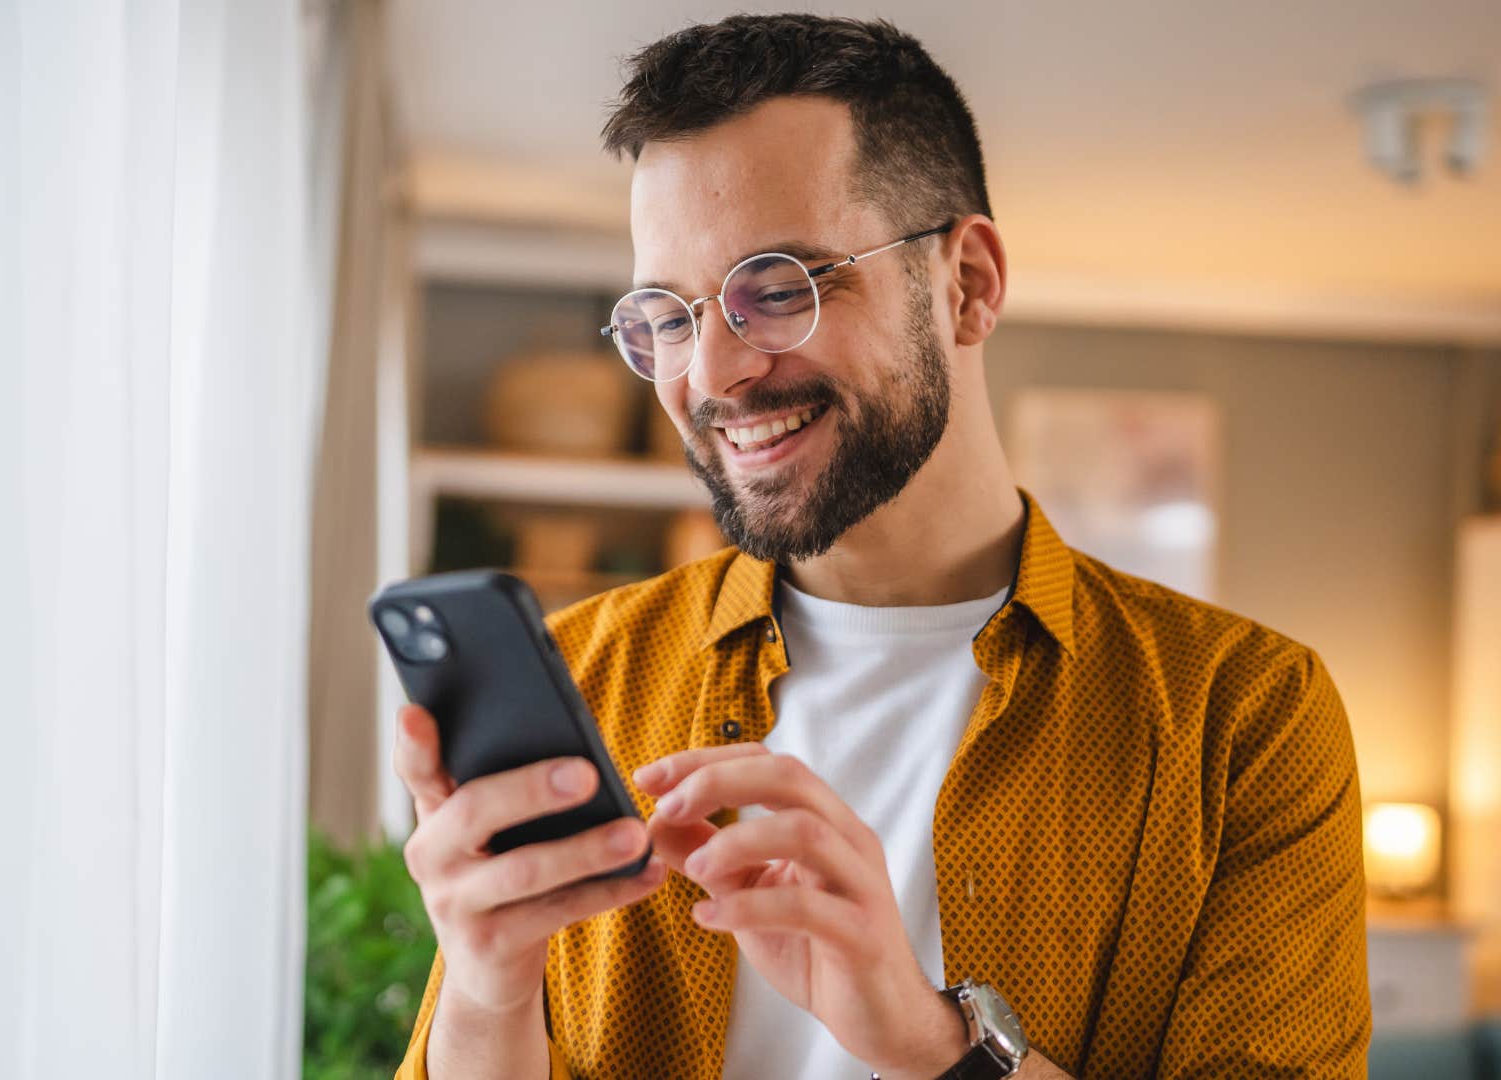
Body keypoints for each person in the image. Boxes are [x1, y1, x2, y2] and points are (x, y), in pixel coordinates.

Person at [390, 14, 1370, 1079]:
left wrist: (929, 1042)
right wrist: (487, 997)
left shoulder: (1245, 720)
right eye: (666, 315)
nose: (712, 374)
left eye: (778, 289)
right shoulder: (588, 677)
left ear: (968, 286)